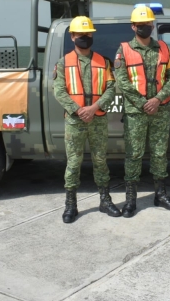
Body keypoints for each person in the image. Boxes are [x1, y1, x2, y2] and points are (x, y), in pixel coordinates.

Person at [114, 5, 170, 218]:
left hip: (160, 110)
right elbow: (121, 81)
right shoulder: (123, 49)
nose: (146, 27)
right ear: (133, 26)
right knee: (134, 154)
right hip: (136, 112)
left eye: (149, 24)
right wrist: (143, 103)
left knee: (160, 153)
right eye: (141, 25)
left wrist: (157, 99)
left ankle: (160, 194)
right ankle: (131, 200)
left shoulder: (163, 48)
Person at [53, 16, 121, 223]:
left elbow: (111, 89)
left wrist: (93, 108)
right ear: (72, 36)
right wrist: (79, 110)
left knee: (101, 161)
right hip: (75, 120)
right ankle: (70, 204)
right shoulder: (63, 63)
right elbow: (59, 91)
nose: (85, 37)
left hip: (98, 119)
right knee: (74, 163)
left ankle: (105, 200)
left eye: (88, 34)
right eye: (81, 34)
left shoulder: (103, 62)